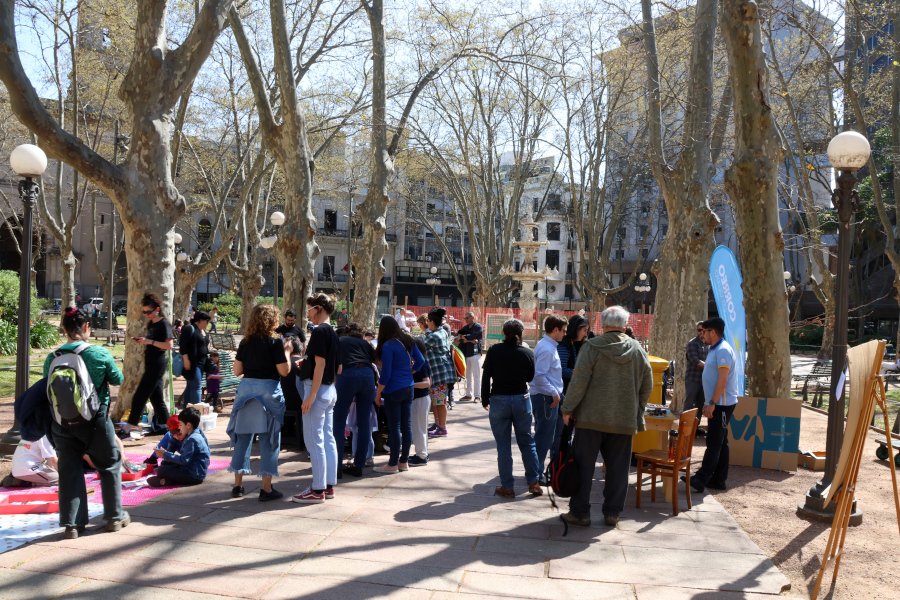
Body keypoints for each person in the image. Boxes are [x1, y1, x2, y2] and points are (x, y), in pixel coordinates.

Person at [560, 306, 653, 528]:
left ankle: (580, 512)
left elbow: (579, 380)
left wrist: (568, 408)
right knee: (619, 469)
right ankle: (612, 513)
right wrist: (636, 408)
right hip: (623, 419)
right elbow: (647, 384)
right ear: (624, 324)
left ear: (602, 324)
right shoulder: (637, 349)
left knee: (584, 467)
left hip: (590, 418)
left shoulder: (591, 347)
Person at [45, 307, 128, 539]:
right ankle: (114, 517)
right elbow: (118, 379)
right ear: (86, 327)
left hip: (61, 423)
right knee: (109, 463)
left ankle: (72, 525)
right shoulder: (99, 354)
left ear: (64, 329)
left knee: (69, 470)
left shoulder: (53, 358)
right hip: (95, 420)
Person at [228, 304, 291, 501]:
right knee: (269, 439)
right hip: (268, 391)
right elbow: (284, 371)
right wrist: (287, 352)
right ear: (271, 320)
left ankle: (237, 485)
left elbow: (237, 371)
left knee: (243, 438)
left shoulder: (245, 342)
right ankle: (266, 489)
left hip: (246, 391)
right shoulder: (275, 343)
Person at [482, 318, 541, 498]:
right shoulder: (527, 352)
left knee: (503, 445)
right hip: (522, 399)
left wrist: (485, 399)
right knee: (527, 441)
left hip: (499, 399)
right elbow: (530, 378)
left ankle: (508, 487)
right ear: (522, 334)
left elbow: (486, 376)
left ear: (503, 333)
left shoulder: (494, 350)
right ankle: (534, 482)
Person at [294, 293, 340, 503]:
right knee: (327, 439)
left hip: (318, 390)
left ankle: (317, 489)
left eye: (310, 310)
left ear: (319, 308)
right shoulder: (333, 332)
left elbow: (321, 364)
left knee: (314, 441)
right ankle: (327, 486)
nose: (308, 314)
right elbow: (335, 366)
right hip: (329, 390)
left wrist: (311, 396)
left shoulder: (320, 331)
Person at [688, 318, 739, 493]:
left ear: (713, 332)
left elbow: (722, 380)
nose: (702, 334)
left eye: (705, 331)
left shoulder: (723, 350)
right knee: (721, 441)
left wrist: (712, 403)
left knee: (714, 441)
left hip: (722, 404)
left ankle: (702, 477)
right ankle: (718, 480)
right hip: (719, 403)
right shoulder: (715, 349)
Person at [372, 316, 425, 474]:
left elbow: (386, 373)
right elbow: (421, 360)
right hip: (409, 387)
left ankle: (393, 463)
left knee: (394, 426)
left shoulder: (388, 345)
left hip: (393, 389)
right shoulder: (408, 341)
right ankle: (403, 462)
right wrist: (410, 372)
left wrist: (378, 393)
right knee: (406, 426)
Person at [124, 293, 174, 433]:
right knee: (157, 400)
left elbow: (169, 345)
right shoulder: (152, 323)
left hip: (157, 364)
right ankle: (171, 428)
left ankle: (129, 426)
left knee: (140, 394)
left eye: (149, 312)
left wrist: (148, 341)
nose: (146, 314)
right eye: (144, 312)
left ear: (157, 309)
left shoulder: (163, 323)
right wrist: (143, 340)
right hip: (150, 363)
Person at [334, 322, 377, 477]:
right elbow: (375, 361)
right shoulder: (366, 344)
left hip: (347, 374)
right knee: (364, 422)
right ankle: (359, 464)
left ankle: (337, 466)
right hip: (367, 375)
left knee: (338, 422)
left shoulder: (340, 341)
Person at [530, 314, 567, 477]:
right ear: (555, 329)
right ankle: (536, 473)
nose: (565, 334)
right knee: (543, 439)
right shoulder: (546, 348)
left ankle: (536, 472)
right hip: (546, 398)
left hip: (546, 396)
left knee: (544, 437)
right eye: (563, 331)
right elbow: (539, 376)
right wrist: (554, 393)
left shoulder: (547, 345)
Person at [148, 407, 211, 487]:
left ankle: (168, 481)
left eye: (180, 425)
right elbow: (175, 456)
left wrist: (165, 454)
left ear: (188, 425)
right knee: (165, 464)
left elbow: (184, 460)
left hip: (195, 474)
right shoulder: (192, 435)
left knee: (161, 470)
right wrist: (165, 454)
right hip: (191, 467)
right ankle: (168, 480)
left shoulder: (192, 439)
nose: (180, 428)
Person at [423, 307, 455, 437]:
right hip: (438, 372)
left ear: (431, 322)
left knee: (440, 402)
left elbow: (420, 345)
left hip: (440, 373)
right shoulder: (441, 332)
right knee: (436, 401)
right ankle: (438, 424)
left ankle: (442, 428)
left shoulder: (434, 335)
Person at [180, 310, 211, 408]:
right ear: (200, 320)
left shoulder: (203, 331)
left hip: (202, 363)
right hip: (193, 363)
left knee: (190, 387)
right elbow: (183, 345)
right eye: (207, 321)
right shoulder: (190, 328)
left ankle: (187, 410)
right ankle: (196, 411)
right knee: (196, 387)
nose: (208, 323)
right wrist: (186, 359)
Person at [409, 338, 432, 466]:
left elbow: (427, 383)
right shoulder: (421, 362)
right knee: (419, 428)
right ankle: (422, 453)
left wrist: (410, 385)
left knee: (419, 428)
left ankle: (421, 456)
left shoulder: (421, 364)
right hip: (421, 399)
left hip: (420, 399)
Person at [455, 311, 483, 403]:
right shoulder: (465, 328)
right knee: (467, 376)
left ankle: (477, 396)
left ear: (472, 318)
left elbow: (472, 336)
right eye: (465, 318)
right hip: (466, 354)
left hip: (475, 354)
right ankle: (468, 395)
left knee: (476, 376)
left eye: (467, 318)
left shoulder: (478, 326)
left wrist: (465, 338)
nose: (466, 320)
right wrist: (468, 340)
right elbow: (457, 336)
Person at [685, 321, 709, 416]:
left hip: (704, 380)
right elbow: (695, 360)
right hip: (692, 379)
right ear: (696, 331)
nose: (701, 332)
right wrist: (710, 367)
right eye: (699, 330)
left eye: (704, 330)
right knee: (689, 404)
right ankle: (685, 429)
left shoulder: (708, 344)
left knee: (700, 405)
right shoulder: (692, 343)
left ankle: (696, 428)